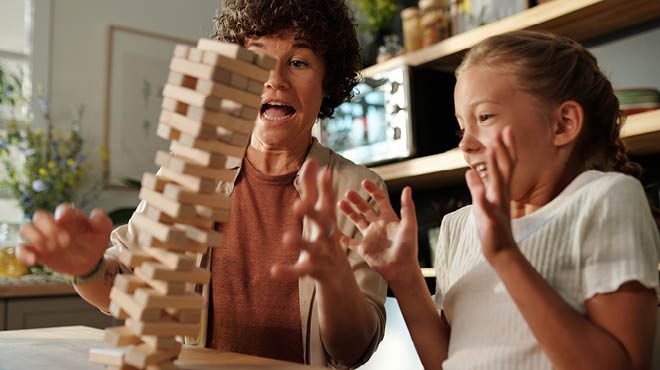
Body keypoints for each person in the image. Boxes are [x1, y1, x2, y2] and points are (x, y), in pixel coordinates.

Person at [16, 0, 388, 367]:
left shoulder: (359, 190)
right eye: (256, 59)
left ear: (328, 81)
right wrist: (87, 268)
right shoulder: (188, 171)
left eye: (298, 62)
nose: (274, 78)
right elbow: (129, 284)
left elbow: (352, 349)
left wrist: (333, 277)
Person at [319, 31, 660, 369]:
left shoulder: (605, 199)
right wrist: (405, 276)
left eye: (484, 117)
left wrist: (505, 255)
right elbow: (447, 364)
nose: (465, 144)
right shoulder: (459, 226)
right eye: (461, 127)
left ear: (563, 124)